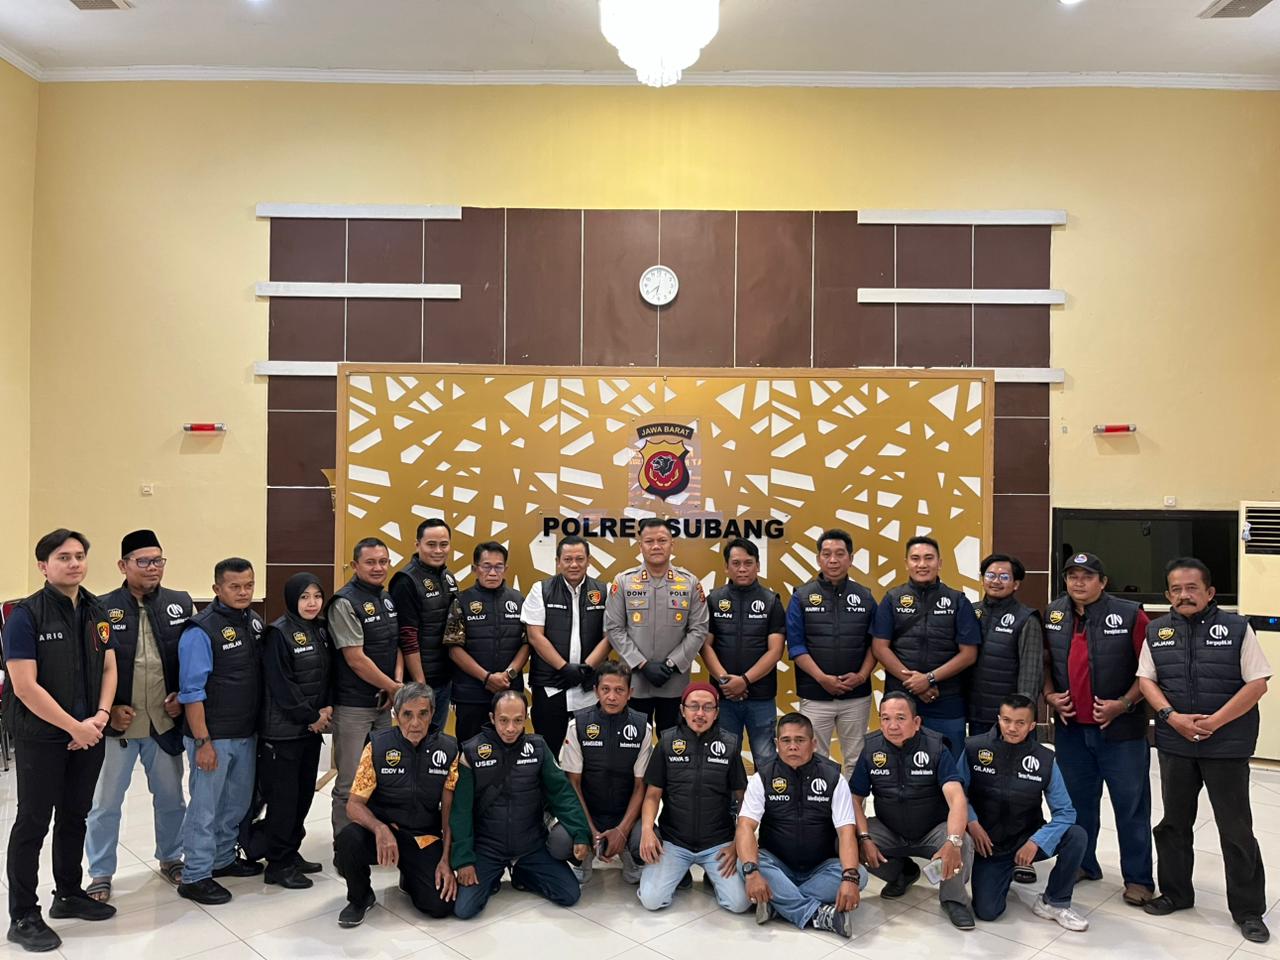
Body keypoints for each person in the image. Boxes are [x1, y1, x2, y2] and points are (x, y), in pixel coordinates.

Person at [1137, 557, 1271, 944]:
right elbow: (1146, 680)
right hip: (1175, 743)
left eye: (1192, 588)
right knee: (1174, 824)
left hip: (1227, 745)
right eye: (1176, 589)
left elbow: (1257, 683)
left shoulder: (1237, 628)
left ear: (1210, 592)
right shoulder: (1157, 631)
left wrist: (1214, 722)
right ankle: (1176, 894)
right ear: (1168, 595)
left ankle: (1248, 910)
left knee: (1236, 828)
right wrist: (1171, 717)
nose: (1184, 595)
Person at [3, 529, 118, 952]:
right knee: (33, 822)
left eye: (79, 556)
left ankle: (68, 894)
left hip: (90, 731)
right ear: (43, 566)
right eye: (63, 557)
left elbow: (109, 667)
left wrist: (100, 716)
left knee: (75, 816)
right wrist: (74, 727)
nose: (74, 563)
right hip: (43, 737)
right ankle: (23, 915)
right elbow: (24, 686)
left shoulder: (97, 609)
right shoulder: (25, 615)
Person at [85, 529, 191, 903]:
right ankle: (100, 872)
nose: (152, 567)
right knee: (105, 805)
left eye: (158, 560)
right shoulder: (100, 608)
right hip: (119, 728)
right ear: (123, 565)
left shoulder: (180, 603)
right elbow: (89, 670)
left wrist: (183, 697)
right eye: (143, 561)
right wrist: (108, 710)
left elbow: (192, 659)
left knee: (171, 798)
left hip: (163, 723)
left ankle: (172, 857)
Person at [1042, 551, 1154, 907]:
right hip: (1072, 731)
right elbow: (1045, 664)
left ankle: (1138, 879)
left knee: (1131, 806)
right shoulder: (1053, 613)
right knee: (1076, 805)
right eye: (1072, 575)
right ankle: (1083, 864)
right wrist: (1050, 696)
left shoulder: (1130, 614)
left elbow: (1150, 670)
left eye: (1087, 576)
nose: (1079, 582)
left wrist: (1124, 703)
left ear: (1103, 582)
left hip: (1121, 732)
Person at [449, 691, 592, 919]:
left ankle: (522, 874)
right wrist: (464, 860)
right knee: (464, 909)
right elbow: (461, 811)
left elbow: (562, 794)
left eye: (517, 720)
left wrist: (581, 833)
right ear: (492, 718)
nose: (510, 728)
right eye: (503, 720)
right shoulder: (470, 752)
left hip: (531, 845)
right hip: (487, 848)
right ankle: (492, 878)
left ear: (526, 717)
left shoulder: (538, 748)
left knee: (569, 894)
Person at [175, 557, 265, 905]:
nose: (243, 592)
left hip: (245, 731)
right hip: (212, 736)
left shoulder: (253, 621)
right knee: (205, 808)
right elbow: (191, 692)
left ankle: (223, 858)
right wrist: (203, 742)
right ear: (217, 588)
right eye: (234, 586)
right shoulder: (200, 630)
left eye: (248, 585)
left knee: (236, 803)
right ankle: (195, 875)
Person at [334, 683, 458, 928]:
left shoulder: (449, 749)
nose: (415, 723)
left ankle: (410, 879)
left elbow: (449, 813)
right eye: (407, 715)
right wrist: (379, 828)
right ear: (396, 715)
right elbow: (354, 805)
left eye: (423, 714)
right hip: (384, 832)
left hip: (423, 837)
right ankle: (360, 897)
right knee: (348, 839)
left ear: (433, 713)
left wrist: (446, 860)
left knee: (441, 906)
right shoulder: (377, 746)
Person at [850, 691, 975, 929]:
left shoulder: (936, 747)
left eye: (900, 718)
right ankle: (902, 873)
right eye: (885, 718)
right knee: (847, 840)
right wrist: (864, 837)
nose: (892, 726)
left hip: (932, 829)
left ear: (916, 722)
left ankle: (953, 899)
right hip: (890, 829)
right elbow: (854, 799)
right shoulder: (870, 748)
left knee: (963, 842)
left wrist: (953, 841)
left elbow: (957, 798)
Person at [964, 694, 1089, 931]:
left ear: (1032, 725)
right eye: (1007, 720)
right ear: (999, 719)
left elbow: (1065, 812)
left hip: (1026, 838)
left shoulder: (1045, 759)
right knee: (987, 912)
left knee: (1076, 835)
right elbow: (958, 792)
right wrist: (972, 822)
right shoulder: (973, 747)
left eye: (1020, 723)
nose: (1012, 728)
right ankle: (1000, 874)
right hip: (988, 844)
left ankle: (1054, 901)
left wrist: (1036, 841)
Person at [736, 713, 864, 938]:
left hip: (820, 867)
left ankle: (777, 904)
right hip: (777, 864)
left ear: (814, 743)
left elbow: (846, 833)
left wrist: (849, 877)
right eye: (786, 740)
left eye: (800, 740)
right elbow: (745, 826)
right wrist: (753, 872)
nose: (793, 746)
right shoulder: (762, 777)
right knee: (746, 863)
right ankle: (817, 914)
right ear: (777, 744)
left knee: (859, 874)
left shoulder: (834, 777)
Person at [637, 682, 751, 915]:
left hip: (718, 843)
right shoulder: (667, 742)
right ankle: (680, 872)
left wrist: (736, 844)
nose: (700, 713)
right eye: (694, 706)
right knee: (651, 901)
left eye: (708, 707)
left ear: (716, 712)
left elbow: (744, 801)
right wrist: (648, 831)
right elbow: (652, 796)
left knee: (740, 903)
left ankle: (712, 875)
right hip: (674, 841)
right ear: (682, 710)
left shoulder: (730, 745)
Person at [250, 572, 333, 889]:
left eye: (317, 596)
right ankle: (278, 864)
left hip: (309, 731)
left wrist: (326, 708)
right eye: (304, 597)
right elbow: (281, 684)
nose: (312, 603)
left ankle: (290, 851)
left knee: (302, 797)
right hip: (282, 734)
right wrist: (310, 716)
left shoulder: (320, 629)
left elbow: (327, 674)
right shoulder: (278, 633)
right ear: (291, 599)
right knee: (283, 801)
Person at [871, 536, 981, 760]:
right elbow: (880, 647)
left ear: (939, 563)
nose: (922, 564)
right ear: (906, 563)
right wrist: (916, 684)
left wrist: (929, 678)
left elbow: (969, 654)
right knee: (898, 762)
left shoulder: (958, 601)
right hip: (901, 699)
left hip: (947, 699)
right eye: (915, 558)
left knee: (950, 763)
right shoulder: (892, 599)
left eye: (929, 558)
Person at [548, 662, 652, 884]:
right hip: (588, 813)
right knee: (558, 842)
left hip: (625, 814)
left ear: (630, 693)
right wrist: (589, 830)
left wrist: (622, 831)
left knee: (645, 839)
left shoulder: (643, 728)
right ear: (596, 691)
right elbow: (573, 783)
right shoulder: (577, 725)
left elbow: (640, 786)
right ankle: (582, 855)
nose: (611, 697)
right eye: (605, 689)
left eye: (619, 690)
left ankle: (627, 851)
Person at [604, 518, 709, 735]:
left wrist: (671, 664)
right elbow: (614, 628)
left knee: (674, 745)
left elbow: (699, 629)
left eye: (662, 540)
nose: (656, 546)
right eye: (649, 541)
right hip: (634, 683)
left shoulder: (689, 582)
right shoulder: (623, 581)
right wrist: (642, 664)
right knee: (631, 742)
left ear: (672, 544)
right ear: (640, 545)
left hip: (674, 682)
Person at [328, 537, 403, 838]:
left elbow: (395, 645)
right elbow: (355, 659)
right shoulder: (344, 602)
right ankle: (344, 846)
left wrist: (395, 684)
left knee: (379, 776)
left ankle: (372, 839)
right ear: (355, 565)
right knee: (349, 781)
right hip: (353, 706)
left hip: (382, 703)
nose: (377, 568)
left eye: (383, 562)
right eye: (370, 562)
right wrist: (393, 687)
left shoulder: (386, 598)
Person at [786, 528, 877, 777]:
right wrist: (822, 678)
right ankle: (818, 803)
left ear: (851, 558)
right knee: (814, 759)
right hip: (815, 695)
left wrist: (861, 676)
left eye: (839, 554)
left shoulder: (865, 597)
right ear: (819, 558)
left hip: (856, 695)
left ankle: (853, 803)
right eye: (826, 554)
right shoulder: (801, 596)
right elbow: (796, 646)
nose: (833, 560)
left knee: (855, 760)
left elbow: (876, 644)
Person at [521, 535, 611, 754]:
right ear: (558, 562)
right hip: (550, 687)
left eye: (580, 559)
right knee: (548, 753)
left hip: (589, 689)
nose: (574, 564)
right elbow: (535, 636)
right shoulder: (540, 590)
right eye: (568, 559)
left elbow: (610, 637)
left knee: (590, 755)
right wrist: (564, 668)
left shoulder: (604, 591)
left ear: (589, 561)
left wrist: (586, 668)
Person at [703, 538, 785, 766]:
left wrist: (745, 681)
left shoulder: (772, 601)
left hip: (761, 697)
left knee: (766, 758)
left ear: (758, 566)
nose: (742, 569)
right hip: (724, 696)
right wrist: (725, 681)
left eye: (748, 563)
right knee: (723, 759)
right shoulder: (714, 600)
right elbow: (705, 645)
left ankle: (766, 793)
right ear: (726, 567)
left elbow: (776, 651)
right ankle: (730, 795)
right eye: (736, 563)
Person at [443, 541, 528, 745]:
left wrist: (508, 675)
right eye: (486, 566)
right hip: (471, 695)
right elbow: (454, 648)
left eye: (498, 567)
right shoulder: (461, 601)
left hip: (510, 692)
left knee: (511, 750)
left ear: (505, 569)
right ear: (475, 569)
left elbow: (527, 643)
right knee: (470, 750)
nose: (492, 573)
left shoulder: (519, 600)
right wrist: (486, 677)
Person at [389, 517, 459, 737]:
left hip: (444, 680)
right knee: (414, 739)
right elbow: (407, 636)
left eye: (443, 544)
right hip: (419, 683)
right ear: (417, 544)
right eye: (431, 544)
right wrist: (421, 685)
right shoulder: (405, 581)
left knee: (434, 740)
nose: (438, 550)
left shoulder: (448, 577)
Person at [967, 553, 1043, 735]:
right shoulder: (970, 611)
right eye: (990, 575)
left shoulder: (1026, 619)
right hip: (975, 712)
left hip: (1010, 718)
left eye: (1004, 577)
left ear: (1016, 584)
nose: (996, 581)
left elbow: (1030, 673)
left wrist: (1021, 714)